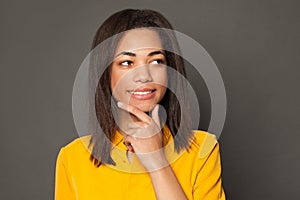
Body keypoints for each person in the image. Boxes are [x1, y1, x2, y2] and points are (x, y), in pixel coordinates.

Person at [55, 9, 226, 200]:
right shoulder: (73, 158)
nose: (144, 75)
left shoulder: (202, 149)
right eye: (127, 63)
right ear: (106, 73)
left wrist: (157, 162)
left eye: (156, 61)